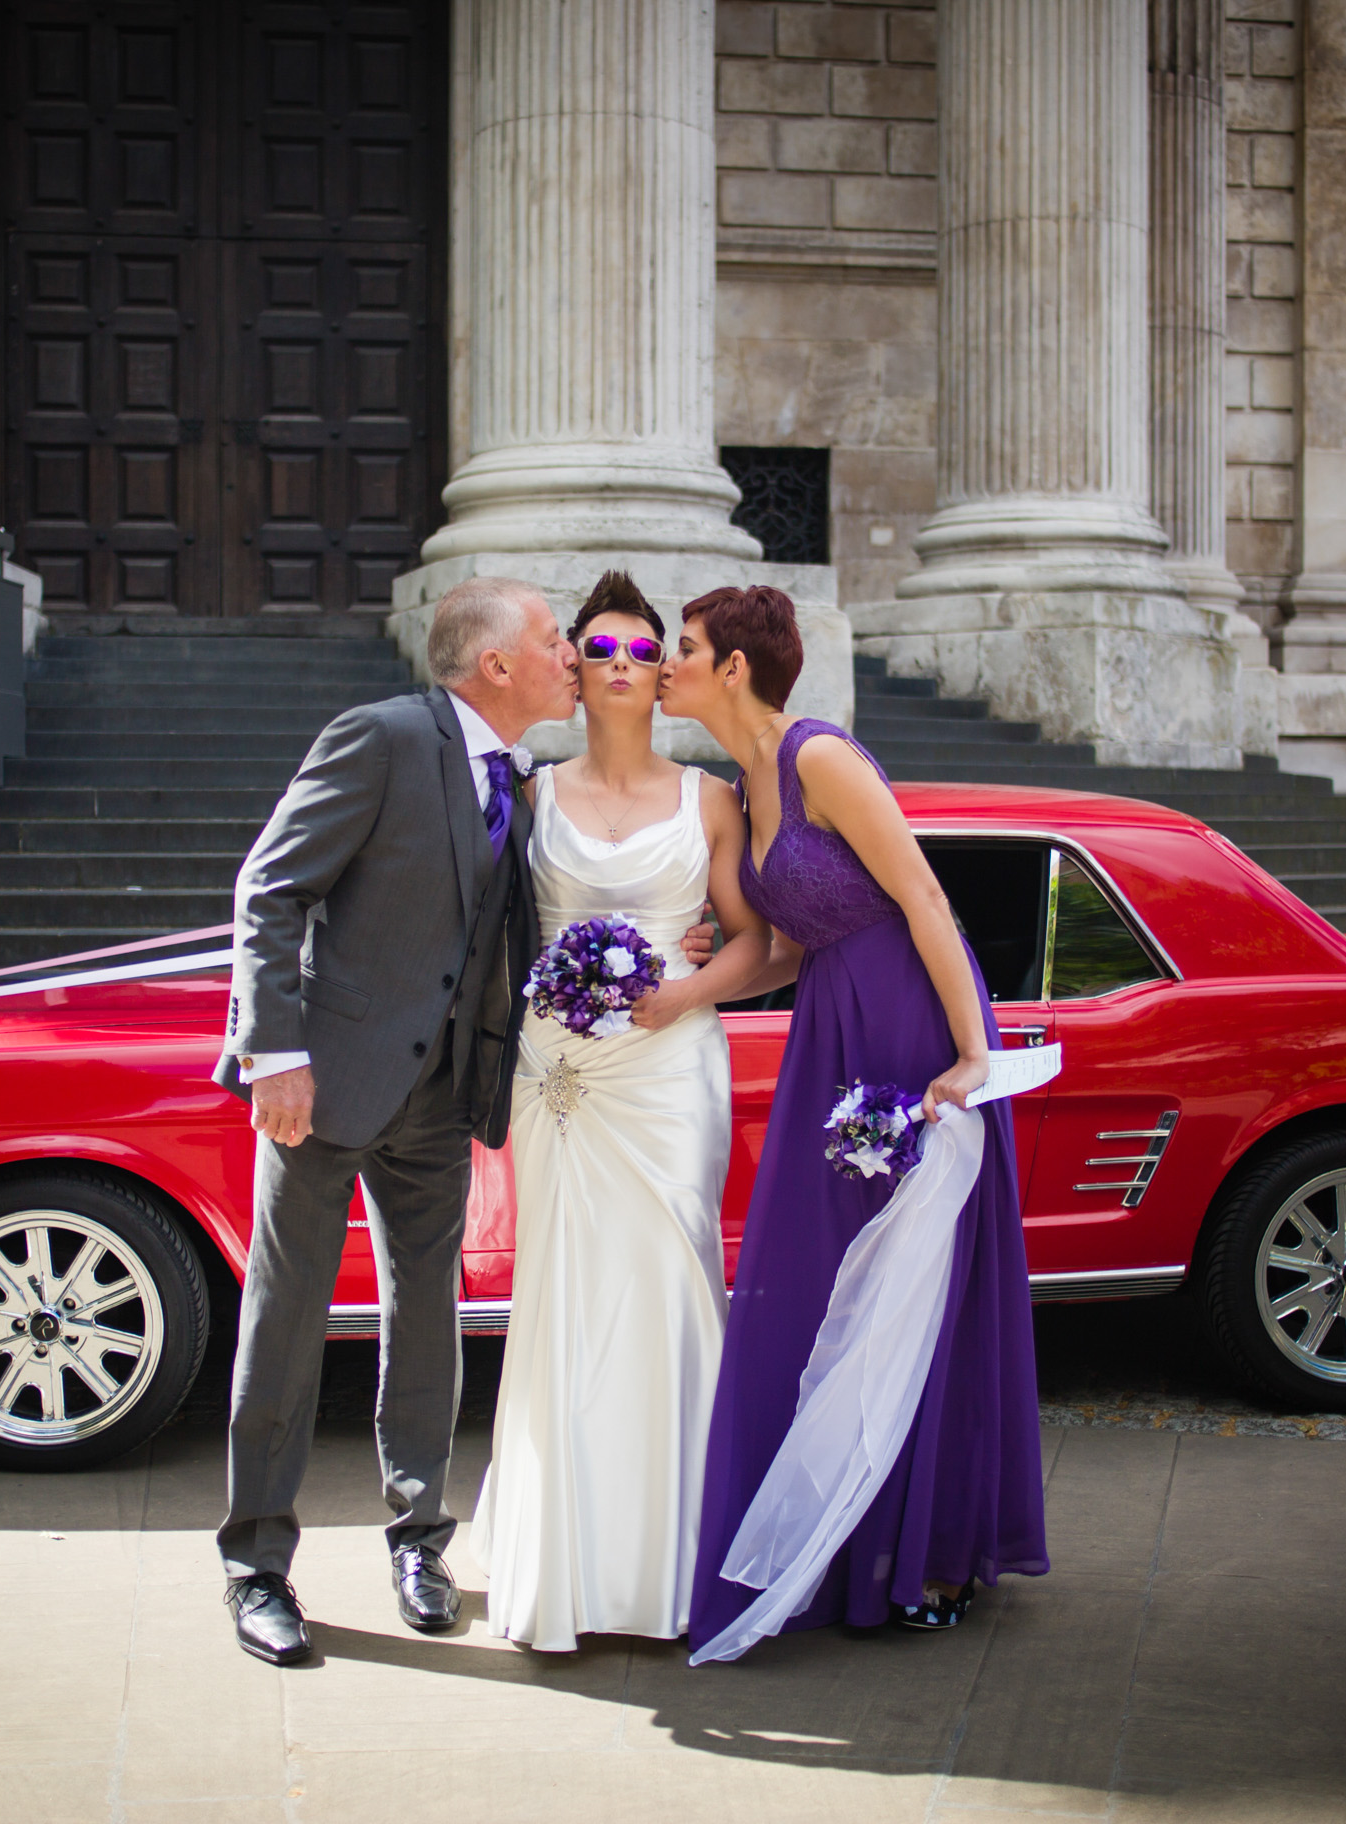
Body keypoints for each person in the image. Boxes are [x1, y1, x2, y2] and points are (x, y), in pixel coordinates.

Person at [659, 584, 1049, 1664]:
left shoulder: (823, 757)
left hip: (913, 1033)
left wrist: (974, 1058)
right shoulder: (743, 781)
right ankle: (829, 1546)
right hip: (829, 1033)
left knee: (917, 1292)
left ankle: (927, 1550)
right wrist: (706, 974)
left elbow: (923, 899)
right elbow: (791, 948)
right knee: (825, 1287)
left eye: (681, 648)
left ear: (734, 668)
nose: (663, 661)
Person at [214, 576, 579, 1667]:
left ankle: (421, 1539)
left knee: (429, 1316)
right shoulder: (377, 738)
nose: (571, 655)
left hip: (440, 1098)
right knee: (284, 1323)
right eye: (555, 639)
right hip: (324, 1087)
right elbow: (269, 889)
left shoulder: (518, 777)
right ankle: (256, 1566)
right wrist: (274, 1054)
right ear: (497, 666)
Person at [466, 571, 775, 1652]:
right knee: (563, 1300)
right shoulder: (531, 791)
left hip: (670, 1071)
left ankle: (677, 1560)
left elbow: (756, 942)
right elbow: (482, 925)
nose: (617, 665)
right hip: (559, 1079)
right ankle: (565, 1560)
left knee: (671, 1282)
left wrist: (683, 989)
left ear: (664, 672)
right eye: (594, 648)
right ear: (575, 670)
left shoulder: (713, 798)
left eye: (642, 650)